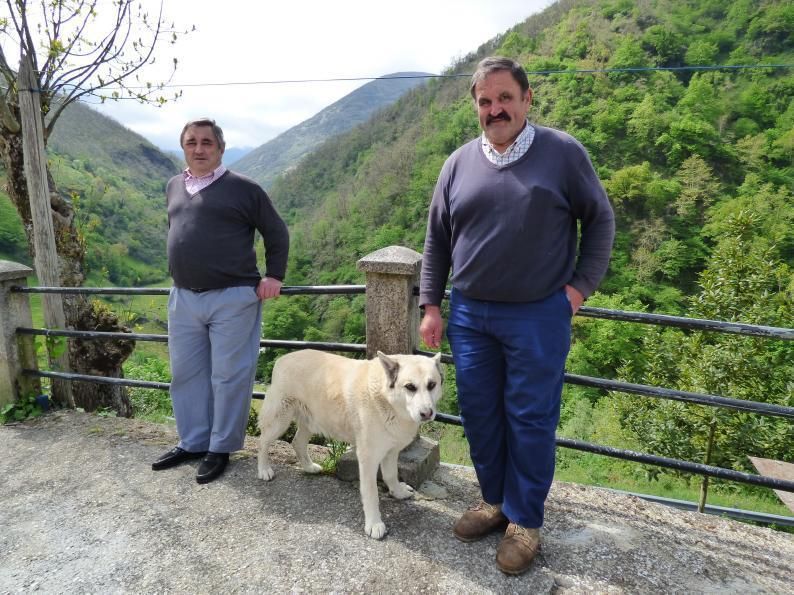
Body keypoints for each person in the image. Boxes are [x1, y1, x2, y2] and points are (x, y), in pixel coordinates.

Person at [419, 57, 615, 575]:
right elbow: (438, 238)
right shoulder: (458, 163)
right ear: (476, 107)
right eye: (485, 101)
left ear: (527, 99)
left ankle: (525, 521)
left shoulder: (562, 153)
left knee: (530, 418)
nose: (495, 109)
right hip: (470, 315)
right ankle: (495, 501)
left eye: (505, 98)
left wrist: (575, 292)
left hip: (537, 314)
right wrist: (432, 304)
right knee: (482, 415)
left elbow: (600, 221)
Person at [152, 117, 289, 484]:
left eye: (207, 142)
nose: (199, 149)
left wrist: (274, 275)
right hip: (184, 297)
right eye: (191, 142)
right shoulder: (173, 186)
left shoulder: (245, 189)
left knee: (229, 376)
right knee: (186, 374)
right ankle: (194, 442)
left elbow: (276, 232)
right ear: (183, 147)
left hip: (233, 298)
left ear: (220, 148)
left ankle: (221, 447)